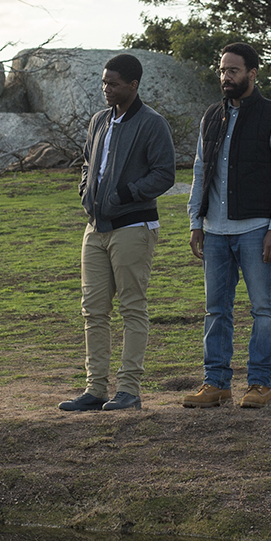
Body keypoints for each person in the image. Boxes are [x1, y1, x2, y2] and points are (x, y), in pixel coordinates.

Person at [184, 43, 271, 410]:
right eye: (222, 70)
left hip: (255, 230)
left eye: (233, 70)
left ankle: (260, 385)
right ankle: (215, 384)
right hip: (214, 232)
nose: (226, 77)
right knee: (216, 310)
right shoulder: (211, 116)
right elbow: (201, 171)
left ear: (253, 73)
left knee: (263, 308)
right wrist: (195, 222)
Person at [63, 54, 177, 412]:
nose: (106, 89)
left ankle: (128, 390)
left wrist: (123, 195)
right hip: (95, 228)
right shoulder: (99, 121)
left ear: (133, 85)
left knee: (131, 308)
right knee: (93, 311)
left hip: (133, 227)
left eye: (113, 83)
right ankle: (95, 389)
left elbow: (164, 174)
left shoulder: (152, 123)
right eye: (103, 82)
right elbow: (86, 163)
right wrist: (86, 194)